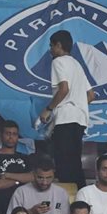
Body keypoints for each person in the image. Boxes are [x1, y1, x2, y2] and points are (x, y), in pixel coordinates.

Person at [38, 30, 93, 185]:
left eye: (51, 46)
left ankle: (69, 197)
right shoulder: (77, 65)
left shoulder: (58, 62)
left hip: (65, 120)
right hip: (80, 120)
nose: (50, 50)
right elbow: (91, 95)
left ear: (59, 45)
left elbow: (64, 89)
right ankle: (81, 196)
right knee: (75, 164)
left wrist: (48, 109)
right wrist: (77, 104)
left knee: (63, 165)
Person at [0, 120, 34, 214]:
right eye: (8, 133)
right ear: (1, 135)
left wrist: (8, 175)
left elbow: (32, 177)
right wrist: (19, 181)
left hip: (24, 207)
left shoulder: (25, 158)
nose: (11, 137)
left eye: (14, 134)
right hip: (1, 208)